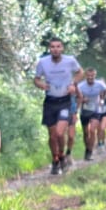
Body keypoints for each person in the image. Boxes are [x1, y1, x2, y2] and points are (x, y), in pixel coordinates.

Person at [32, 37, 81, 175]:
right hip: (50, 101)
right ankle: (56, 159)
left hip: (65, 101)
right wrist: (41, 84)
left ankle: (62, 155)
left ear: (62, 48)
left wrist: (73, 84)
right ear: (49, 49)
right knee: (52, 135)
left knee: (60, 132)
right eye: (53, 47)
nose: (55, 49)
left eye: (58, 46)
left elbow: (80, 72)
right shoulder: (43, 62)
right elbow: (36, 79)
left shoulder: (70, 60)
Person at [78, 68, 106, 159]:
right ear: (85, 76)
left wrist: (102, 99)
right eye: (88, 75)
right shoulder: (80, 86)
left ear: (95, 75)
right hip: (85, 110)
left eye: (92, 75)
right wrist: (83, 100)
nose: (90, 77)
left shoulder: (100, 84)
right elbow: (77, 97)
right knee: (86, 132)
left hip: (95, 110)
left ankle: (90, 152)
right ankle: (87, 149)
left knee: (92, 130)